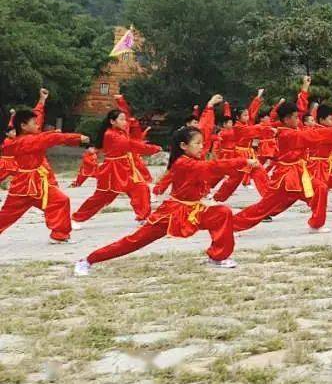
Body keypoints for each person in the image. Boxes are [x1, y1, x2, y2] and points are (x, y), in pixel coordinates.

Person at [74, 125, 259, 275]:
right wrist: (243, 162)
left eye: (203, 143)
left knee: (222, 213)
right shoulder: (184, 163)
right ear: (183, 146)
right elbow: (214, 167)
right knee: (134, 241)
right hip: (173, 212)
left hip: (194, 209)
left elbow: (213, 167)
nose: (202, 146)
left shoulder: (192, 160)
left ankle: (218, 257)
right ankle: (88, 260)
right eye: (198, 143)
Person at [231, 99, 332, 233]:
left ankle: (316, 224)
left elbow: (304, 114)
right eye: (296, 117)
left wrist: (304, 91)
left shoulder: (289, 128)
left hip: (299, 173)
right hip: (286, 177)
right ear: (286, 119)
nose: (299, 120)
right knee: (263, 207)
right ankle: (231, 224)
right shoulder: (287, 134)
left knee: (320, 188)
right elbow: (312, 135)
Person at [0, 106, 89, 243]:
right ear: (23, 126)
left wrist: (55, 132)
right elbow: (49, 139)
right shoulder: (26, 141)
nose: (37, 125)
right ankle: (59, 234)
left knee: (60, 201)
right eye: (34, 123)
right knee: (7, 215)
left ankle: (59, 235)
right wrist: (76, 137)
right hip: (24, 185)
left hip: (37, 183)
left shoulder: (27, 137)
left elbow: (45, 136)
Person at [72, 107, 163, 226]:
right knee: (101, 197)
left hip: (124, 167)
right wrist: (153, 149)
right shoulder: (111, 134)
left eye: (125, 120)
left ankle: (143, 217)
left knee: (141, 188)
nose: (124, 122)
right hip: (112, 170)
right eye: (121, 119)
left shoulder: (119, 132)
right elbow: (131, 145)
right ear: (112, 121)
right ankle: (75, 218)